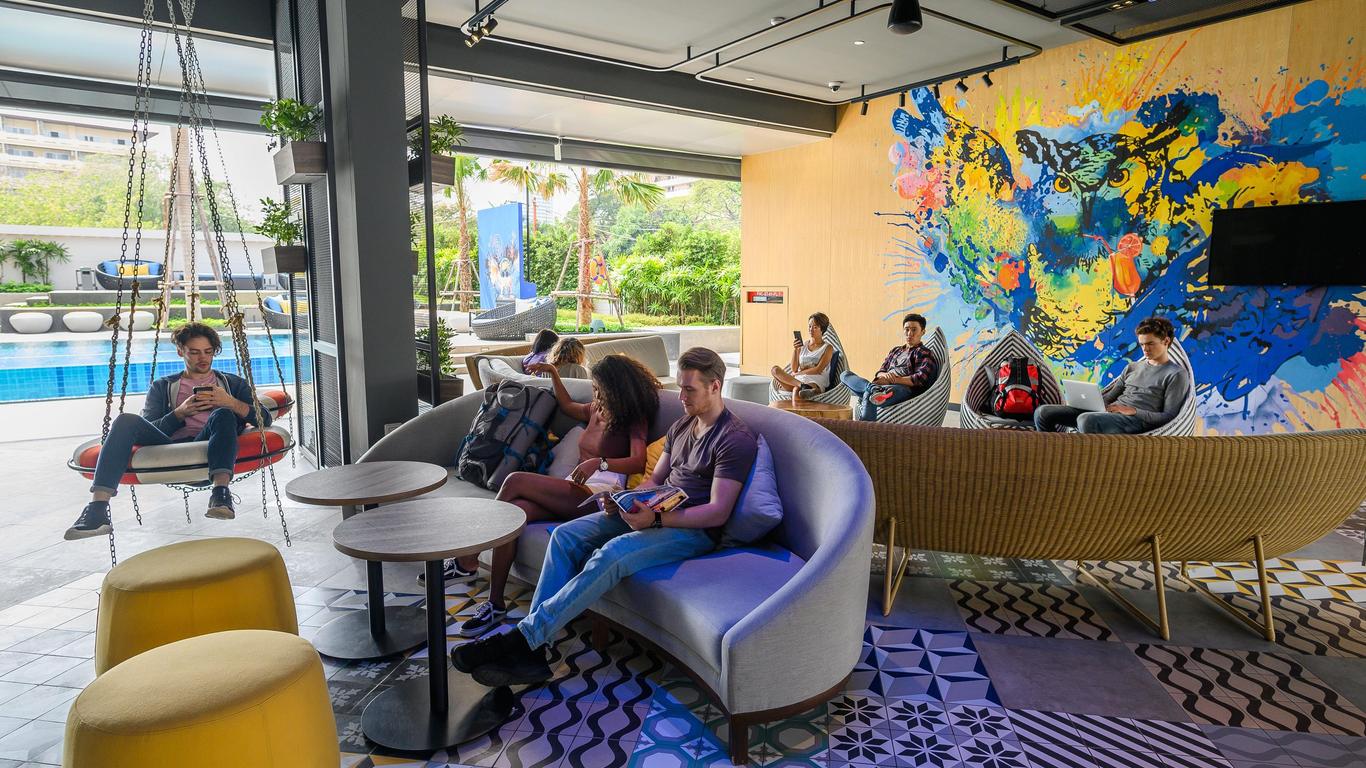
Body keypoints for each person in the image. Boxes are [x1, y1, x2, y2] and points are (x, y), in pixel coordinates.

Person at [450, 347, 758, 686]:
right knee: (565, 536)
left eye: (689, 389)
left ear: (715, 386)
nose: (681, 397)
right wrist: (625, 500)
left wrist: (655, 521)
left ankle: (525, 641)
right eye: (681, 387)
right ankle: (534, 649)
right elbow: (655, 480)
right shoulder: (683, 425)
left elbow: (717, 512)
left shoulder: (734, 439)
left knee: (611, 554)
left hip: (693, 531)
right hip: (657, 510)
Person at [443, 354, 660, 637]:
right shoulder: (596, 409)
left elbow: (638, 461)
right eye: (594, 388)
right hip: (574, 488)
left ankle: (468, 558)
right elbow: (567, 405)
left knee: (514, 480)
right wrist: (552, 373)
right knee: (516, 512)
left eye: (600, 388)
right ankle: (495, 604)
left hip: (598, 496)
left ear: (615, 387)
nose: (596, 394)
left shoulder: (632, 418)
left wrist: (600, 463)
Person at [65, 322, 273, 540]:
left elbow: (264, 418)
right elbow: (149, 427)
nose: (203, 358)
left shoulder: (233, 384)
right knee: (125, 420)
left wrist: (230, 402)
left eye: (208, 351)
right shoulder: (162, 386)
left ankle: (221, 494)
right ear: (180, 351)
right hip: (170, 444)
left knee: (223, 414)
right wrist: (179, 414)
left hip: (213, 439)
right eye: (194, 352)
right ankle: (97, 511)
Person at [1035, 317, 1190, 434]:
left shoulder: (1176, 374)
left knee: (1085, 420)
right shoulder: (1132, 367)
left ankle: (1080, 462)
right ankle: (1052, 455)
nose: (1145, 349)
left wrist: (1133, 411)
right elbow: (1110, 396)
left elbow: (1169, 416)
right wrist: (1091, 404)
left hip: (1136, 420)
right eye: (1142, 344)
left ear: (1166, 341)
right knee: (1043, 413)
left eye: (1150, 344)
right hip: (1112, 414)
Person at [841, 313, 939, 421]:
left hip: (903, 389)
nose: (909, 333)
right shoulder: (895, 351)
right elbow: (880, 372)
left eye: (914, 330)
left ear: (923, 332)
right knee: (845, 375)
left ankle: (871, 392)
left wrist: (893, 380)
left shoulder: (924, 352)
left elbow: (919, 379)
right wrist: (885, 375)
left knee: (869, 395)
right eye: (906, 329)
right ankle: (873, 388)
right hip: (882, 385)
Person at [770, 312, 835, 401]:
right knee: (775, 370)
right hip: (798, 381)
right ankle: (803, 386)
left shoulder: (827, 348)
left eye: (815, 327)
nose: (811, 329)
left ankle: (805, 390)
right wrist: (796, 350)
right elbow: (794, 369)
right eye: (809, 326)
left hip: (815, 380)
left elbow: (818, 369)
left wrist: (798, 373)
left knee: (796, 391)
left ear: (822, 329)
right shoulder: (803, 345)